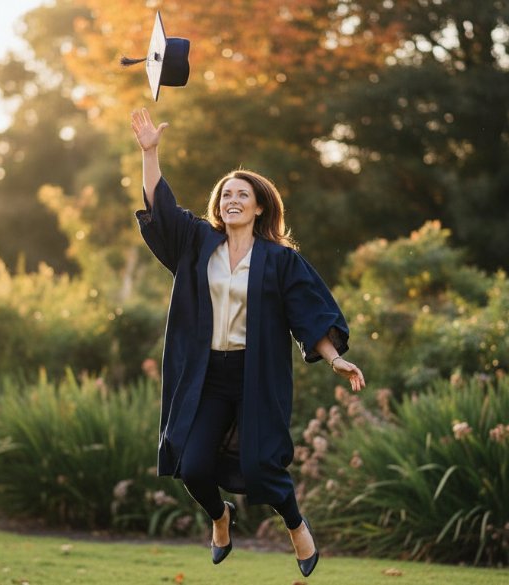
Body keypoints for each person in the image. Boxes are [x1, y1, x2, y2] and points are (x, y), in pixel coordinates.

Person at [131, 108, 365, 577]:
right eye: (226, 195)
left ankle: (296, 526)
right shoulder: (197, 242)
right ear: (218, 206)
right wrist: (151, 153)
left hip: (255, 375)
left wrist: (335, 357)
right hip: (206, 375)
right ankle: (221, 519)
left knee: (262, 467)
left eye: (243, 195)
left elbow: (310, 312)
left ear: (260, 207)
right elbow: (161, 210)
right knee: (193, 466)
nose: (233, 200)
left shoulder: (280, 261)